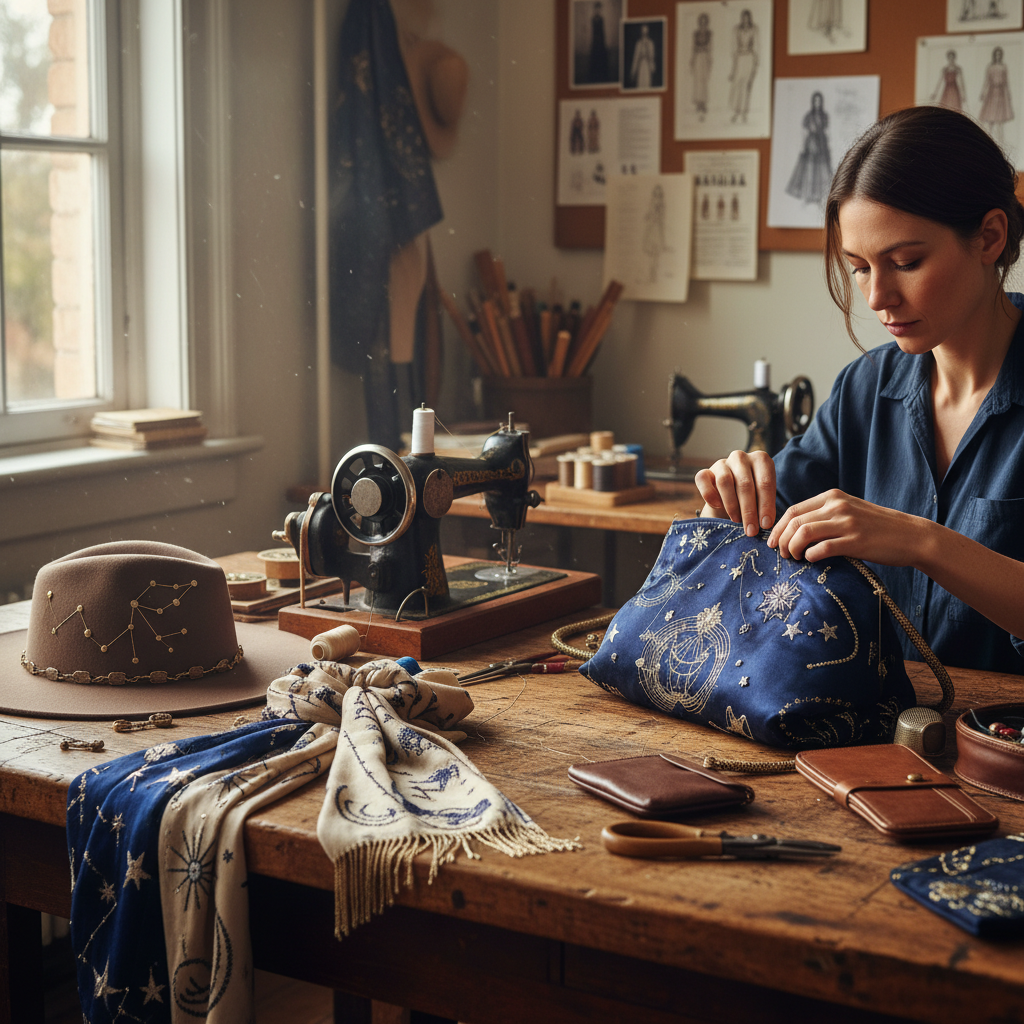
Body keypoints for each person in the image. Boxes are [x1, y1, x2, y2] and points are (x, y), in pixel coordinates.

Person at [695, 106, 1024, 675]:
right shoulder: (864, 388)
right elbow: (755, 536)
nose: (877, 298)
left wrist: (923, 542)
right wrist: (729, 499)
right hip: (869, 736)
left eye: (905, 261)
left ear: (989, 237)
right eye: (860, 268)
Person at [785, 91, 832, 204]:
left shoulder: (824, 116)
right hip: (811, 144)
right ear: (813, 102)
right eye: (815, 101)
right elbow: (804, 132)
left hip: (821, 143)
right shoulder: (808, 116)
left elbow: (827, 131)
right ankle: (809, 195)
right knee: (810, 169)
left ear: (821, 102)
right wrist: (802, 146)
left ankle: (819, 195)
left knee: (821, 169)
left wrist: (828, 145)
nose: (817, 103)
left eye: (819, 101)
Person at [729, 9, 758, 124]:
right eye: (743, 17)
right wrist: (733, 67)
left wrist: (755, 64)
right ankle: (736, 112)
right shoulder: (737, 30)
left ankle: (744, 113)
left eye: (747, 17)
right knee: (737, 85)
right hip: (740, 59)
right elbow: (734, 49)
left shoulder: (754, 30)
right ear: (742, 18)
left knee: (747, 85)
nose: (745, 20)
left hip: (749, 59)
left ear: (749, 18)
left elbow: (756, 47)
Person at [979, 46, 1013, 145]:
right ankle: (989, 142)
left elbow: (1006, 82)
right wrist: (983, 92)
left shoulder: (1003, 67)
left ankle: (1001, 142)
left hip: (1001, 94)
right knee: (990, 119)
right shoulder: (990, 67)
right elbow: (987, 81)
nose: (998, 56)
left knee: (1000, 120)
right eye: (996, 54)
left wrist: (1009, 93)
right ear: (994, 55)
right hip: (991, 93)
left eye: (999, 54)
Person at [691, 13, 712, 120]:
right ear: (699, 22)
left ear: (706, 22)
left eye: (705, 22)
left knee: (704, 81)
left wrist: (710, 61)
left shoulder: (709, 33)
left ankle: (703, 104)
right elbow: (693, 48)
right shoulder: (695, 33)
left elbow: (710, 48)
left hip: (705, 58)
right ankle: (698, 104)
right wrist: (692, 61)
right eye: (701, 22)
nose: (703, 24)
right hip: (698, 58)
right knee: (697, 81)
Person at [630, 23, 656, 90]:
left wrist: (647, 51)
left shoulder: (651, 43)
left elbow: (652, 57)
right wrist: (633, 72)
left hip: (648, 66)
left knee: (647, 84)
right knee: (640, 84)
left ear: (648, 32)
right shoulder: (638, 43)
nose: (644, 34)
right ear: (641, 32)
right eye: (643, 32)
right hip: (640, 66)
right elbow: (635, 58)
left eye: (646, 33)